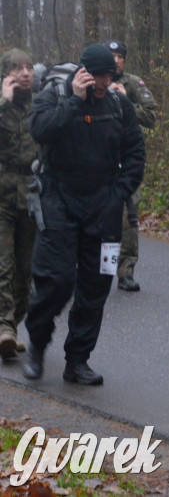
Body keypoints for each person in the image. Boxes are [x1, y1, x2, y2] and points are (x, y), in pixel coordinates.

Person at [22, 44, 145, 385]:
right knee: (56, 281)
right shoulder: (56, 95)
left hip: (103, 208)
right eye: (99, 75)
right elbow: (40, 130)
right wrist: (74, 101)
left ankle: (77, 360)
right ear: (84, 73)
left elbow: (135, 151)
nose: (106, 82)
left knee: (96, 287)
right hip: (59, 201)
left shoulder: (120, 105)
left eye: (110, 75)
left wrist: (119, 193)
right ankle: (37, 344)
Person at [105, 40, 158, 293]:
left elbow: (151, 117)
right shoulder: (94, 81)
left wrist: (127, 103)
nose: (116, 61)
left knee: (128, 219)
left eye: (120, 56)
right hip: (98, 160)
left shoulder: (134, 84)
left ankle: (125, 272)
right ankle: (97, 270)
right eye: (111, 56)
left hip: (126, 161)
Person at [0, 50, 36, 360]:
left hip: (31, 197)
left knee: (25, 272)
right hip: (1, 197)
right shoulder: (2, 106)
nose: (25, 73)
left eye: (28, 67)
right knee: (3, 265)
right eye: (17, 68)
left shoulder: (41, 105)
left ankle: (9, 328)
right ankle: (5, 329)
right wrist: (3, 102)